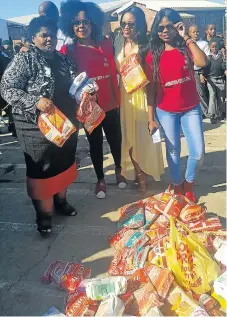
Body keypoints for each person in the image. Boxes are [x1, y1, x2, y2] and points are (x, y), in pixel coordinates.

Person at [1, 16, 79, 235]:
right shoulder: (24, 59)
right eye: (44, 35)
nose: (49, 39)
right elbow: (7, 88)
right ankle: (43, 216)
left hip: (64, 125)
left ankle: (61, 203)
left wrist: (87, 91)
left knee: (63, 164)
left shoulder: (65, 60)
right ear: (33, 37)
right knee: (42, 170)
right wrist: (34, 101)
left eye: (52, 34)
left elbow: (76, 84)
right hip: (35, 128)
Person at [59, 1, 126, 198]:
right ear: (70, 26)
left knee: (116, 140)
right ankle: (100, 179)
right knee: (94, 143)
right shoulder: (68, 49)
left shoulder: (105, 43)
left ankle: (119, 171)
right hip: (88, 106)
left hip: (110, 101)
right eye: (76, 23)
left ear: (92, 23)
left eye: (85, 22)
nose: (81, 26)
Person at [144, 8, 207, 202]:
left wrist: (186, 37)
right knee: (173, 151)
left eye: (168, 26)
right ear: (156, 30)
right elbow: (151, 90)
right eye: (160, 28)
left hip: (191, 109)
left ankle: (189, 181)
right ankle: (177, 185)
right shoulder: (152, 55)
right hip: (166, 111)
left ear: (176, 26)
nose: (164, 31)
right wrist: (151, 118)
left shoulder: (186, 47)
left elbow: (202, 62)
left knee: (198, 152)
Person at [114, 6, 164, 191]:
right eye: (123, 24)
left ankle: (144, 172)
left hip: (142, 97)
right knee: (128, 139)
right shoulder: (118, 41)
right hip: (124, 99)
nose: (126, 28)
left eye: (131, 24)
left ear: (140, 26)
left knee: (145, 139)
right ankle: (138, 175)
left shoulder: (146, 44)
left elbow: (153, 77)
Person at [201, 39, 226, 123]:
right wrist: (202, 74)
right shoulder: (209, 57)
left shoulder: (222, 56)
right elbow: (205, 67)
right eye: (213, 47)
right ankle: (212, 115)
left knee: (221, 97)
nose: (215, 48)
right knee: (212, 96)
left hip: (220, 79)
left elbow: (223, 66)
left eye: (216, 47)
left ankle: (220, 114)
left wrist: (225, 59)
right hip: (211, 79)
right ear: (210, 48)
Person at [189, 24, 210, 118]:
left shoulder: (204, 44)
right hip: (188, 72)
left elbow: (207, 60)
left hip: (198, 72)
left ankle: (205, 112)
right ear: (189, 33)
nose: (196, 33)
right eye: (193, 32)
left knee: (200, 93)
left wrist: (202, 73)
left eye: (197, 31)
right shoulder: (186, 43)